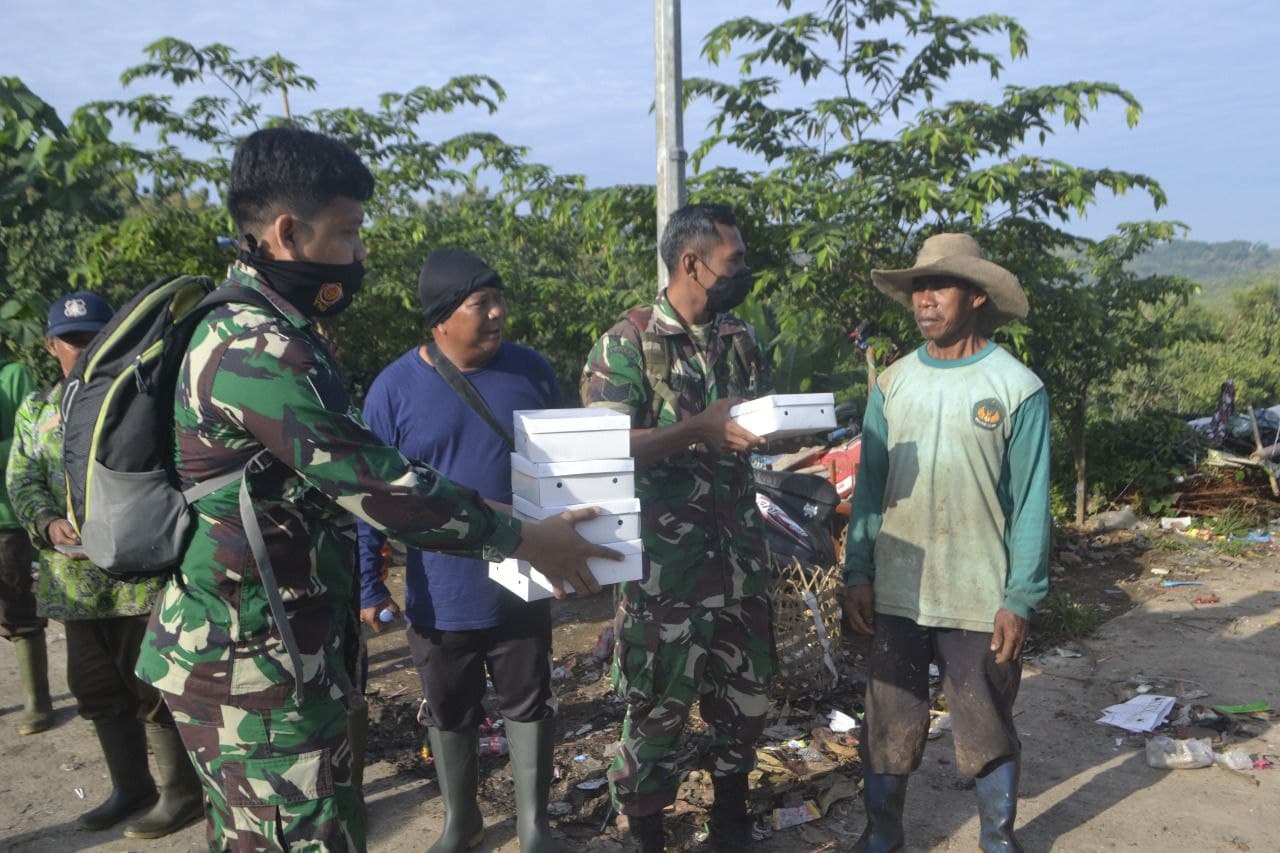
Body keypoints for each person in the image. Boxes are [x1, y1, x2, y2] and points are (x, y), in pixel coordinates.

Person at [132, 126, 614, 853]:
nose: (360, 252)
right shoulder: (253, 347)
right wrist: (526, 535)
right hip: (251, 664)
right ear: (289, 231)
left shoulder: (273, 326)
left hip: (268, 647)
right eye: (349, 231)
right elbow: (380, 487)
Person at [842, 233, 1050, 852]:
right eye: (917, 289)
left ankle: (997, 838)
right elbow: (870, 487)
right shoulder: (893, 384)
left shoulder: (1017, 388)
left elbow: (1032, 503)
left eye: (938, 287)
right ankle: (883, 837)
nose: (924, 300)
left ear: (977, 295)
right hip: (899, 587)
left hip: (978, 592)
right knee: (887, 723)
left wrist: (1021, 596)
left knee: (984, 723)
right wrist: (858, 570)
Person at [581, 203, 775, 852]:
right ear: (692, 263)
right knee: (657, 714)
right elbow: (600, 448)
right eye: (735, 260)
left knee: (743, 705)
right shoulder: (625, 343)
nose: (744, 270)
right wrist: (695, 430)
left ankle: (730, 822)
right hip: (664, 573)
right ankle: (645, 833)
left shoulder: (740, 337)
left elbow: (752, 425)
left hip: (741, 562)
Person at [360, 248, 562, 853]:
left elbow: (566, 469)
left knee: (528, 698)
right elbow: (365, 498)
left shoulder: (531, 371)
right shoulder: (394, 391)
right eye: (482, 303)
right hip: (439, 588)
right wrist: (369, 586)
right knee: (449, 707)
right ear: (442, 316)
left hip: (522, 578)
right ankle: (461, 820)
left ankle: (534, 825)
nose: (499, 313)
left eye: (500, 298)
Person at [7, 292, 204, 839]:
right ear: (51, 346)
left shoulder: (135, 396)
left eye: (96, 337)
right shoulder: (38, 409)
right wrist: (46, 522)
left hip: (135, 579)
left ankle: (181, 793)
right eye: (73, 341)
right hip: (73, 583)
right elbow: (20, 478)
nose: (84, 349)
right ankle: (130, 788)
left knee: (154, 685)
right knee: (94, 688)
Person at [0, 349, 52, 736]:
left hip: (6, 519)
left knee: (17, 603)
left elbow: (32, 439)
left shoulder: (14, 375)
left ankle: (37, 700)